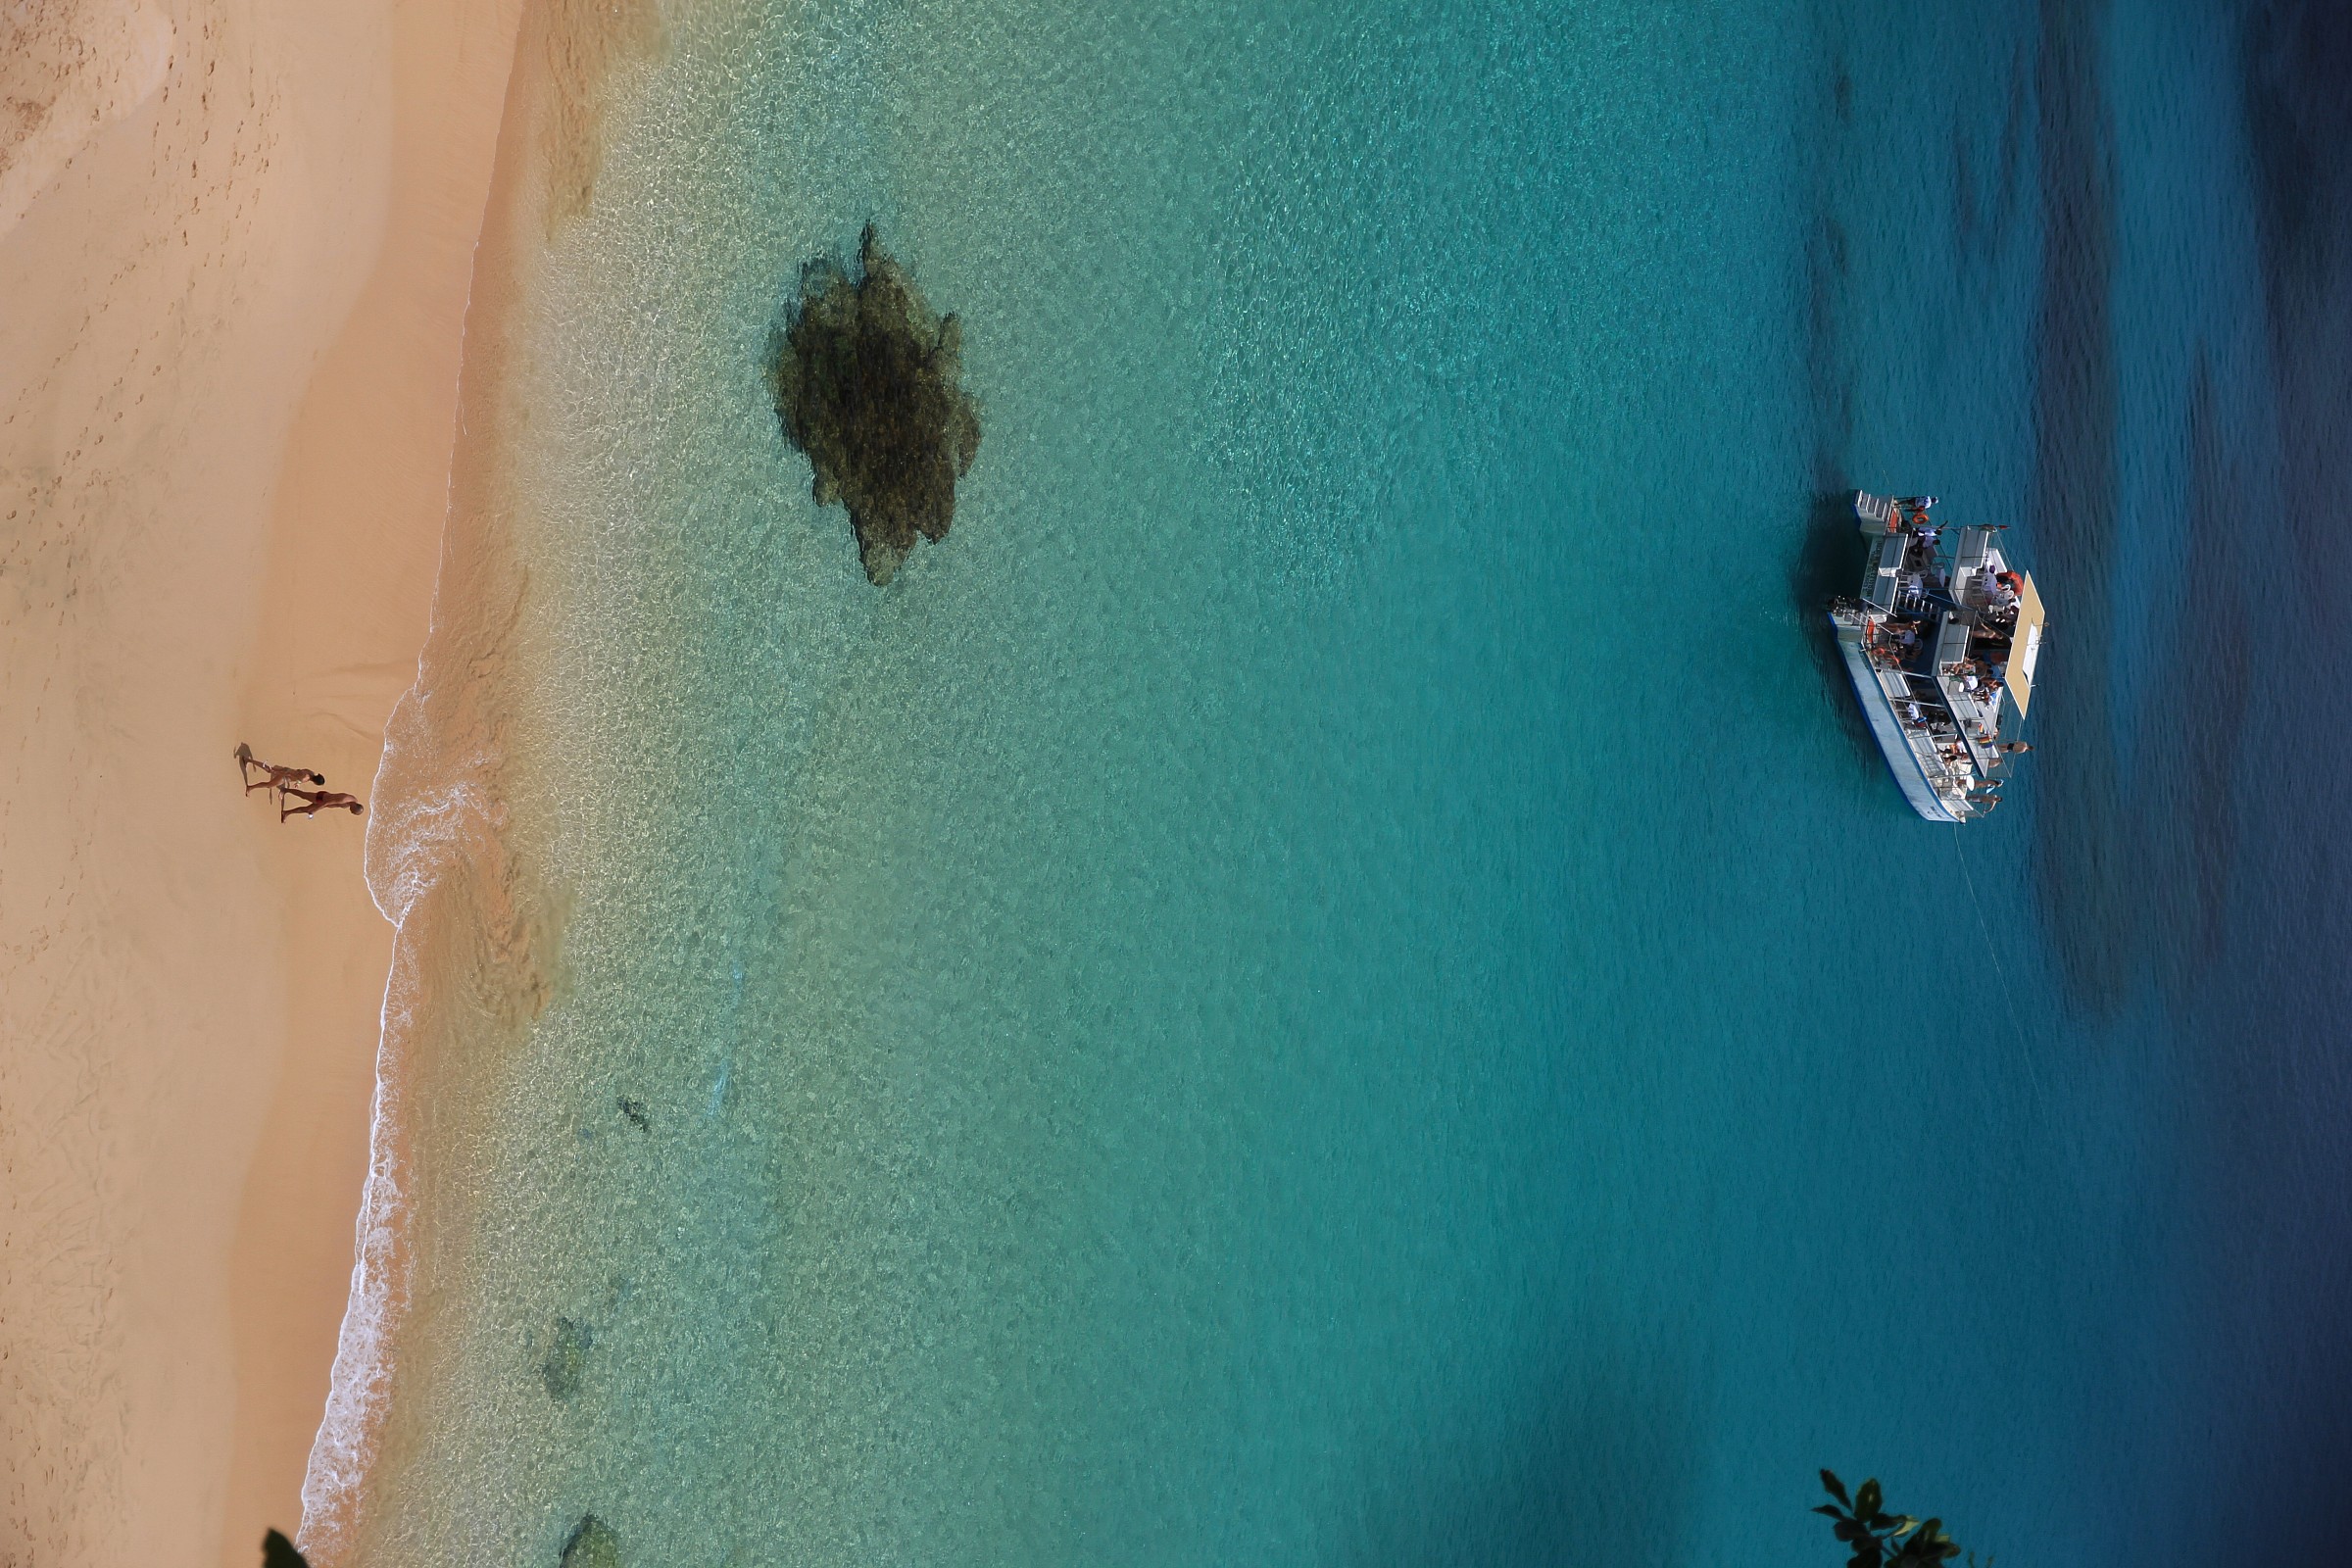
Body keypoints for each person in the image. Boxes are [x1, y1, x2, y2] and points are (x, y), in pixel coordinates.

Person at [236, 742, 324, 795]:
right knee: (269, 785)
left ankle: (247, 760)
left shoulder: (310, 772)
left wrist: (298, 782)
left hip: (287, 770)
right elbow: (291, 775)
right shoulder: (305, 778)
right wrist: (276, 772)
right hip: (284, 777)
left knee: (267, 768)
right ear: (316, 782)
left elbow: (298, 772)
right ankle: (250, 788)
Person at [279, 785, 365, 822]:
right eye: (353, 812)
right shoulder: (344, 800)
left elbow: (331, 804)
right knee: (303, 795)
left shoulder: (353, 801)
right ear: (354, 807)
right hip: (321, 798)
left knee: (306, 809)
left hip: (323, 802)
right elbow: (326, 803)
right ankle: (286, 790)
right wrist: (315, 811)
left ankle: (286, 813)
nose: (351, 812)